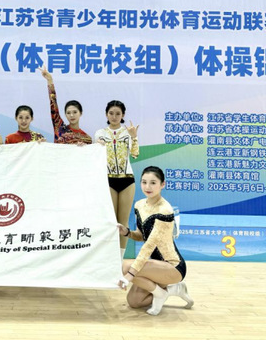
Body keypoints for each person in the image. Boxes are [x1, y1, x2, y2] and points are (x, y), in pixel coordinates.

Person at [117, 166, 194, 316]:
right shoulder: (139, 205)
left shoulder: (165, 210)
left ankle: (160, 294)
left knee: (125, 267)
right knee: (134, 302)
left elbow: (149, 245)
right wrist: (126, 232)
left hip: (172, 266)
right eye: (144, 182)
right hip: (155, 265)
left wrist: (130, 275)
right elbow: (141, 235)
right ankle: (173, 290)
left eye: (153, 183)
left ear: (162, 184)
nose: (148, 187)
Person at [94, 100, 139, 259]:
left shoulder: (128, 132)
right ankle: (109, 259)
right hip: (108, 180)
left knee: (123, 222)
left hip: (127, 180)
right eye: (111, 113)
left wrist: (134, 137)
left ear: (123, 115)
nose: (114, 117)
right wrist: (97, 146)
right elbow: (96, 158)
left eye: (118, 114)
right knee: (111, 222)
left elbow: (135, 154)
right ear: (106, 114)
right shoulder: (99, 133)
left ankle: (119, 260)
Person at [40, 66, 91, 144]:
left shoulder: (87, 139)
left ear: (80, 113)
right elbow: (53, 103)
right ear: (65, 115)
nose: (71, 115)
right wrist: (50, 80)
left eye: (75, 112)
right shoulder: (60, 128)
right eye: (68, 113)